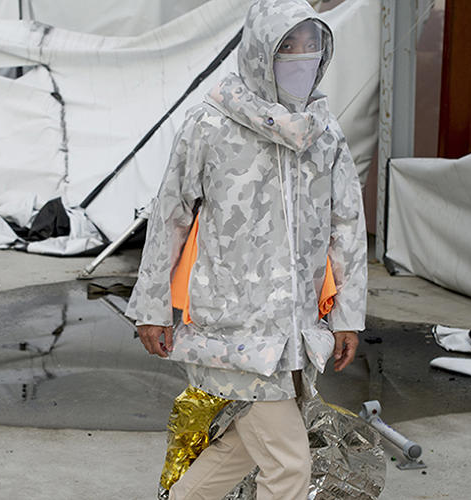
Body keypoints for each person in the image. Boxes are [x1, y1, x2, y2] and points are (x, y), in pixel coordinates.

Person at [126, 0, 367, 498]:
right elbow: (170, 215)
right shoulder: (209, 125)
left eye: (311, 45)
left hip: (296, 331)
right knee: (289, 466)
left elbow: (347, 227)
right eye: (288, 47)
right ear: (260, 51)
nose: (302, 57)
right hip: (234, 330)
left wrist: (347, 316)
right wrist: (152, 307)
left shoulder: (325, 136)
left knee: (241, 449)